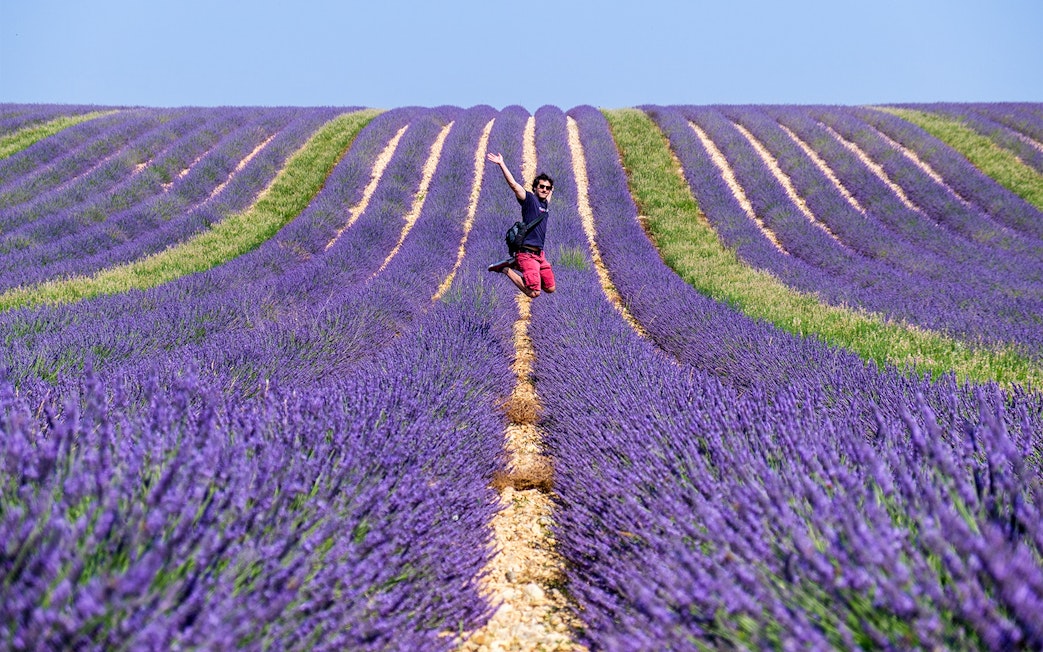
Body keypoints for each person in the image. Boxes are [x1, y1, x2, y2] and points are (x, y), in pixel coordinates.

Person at [486, 152, 556, 298]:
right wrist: (501, 164)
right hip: (527, 254)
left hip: (540, 256)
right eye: (541, 187)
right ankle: (505, 268)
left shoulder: (545, 204)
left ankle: (518, 265)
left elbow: (549, 194)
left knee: (550, 288)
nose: (544, 189)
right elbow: (513, 185)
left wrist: (551, 188)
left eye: (547, 188)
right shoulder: (529, 199)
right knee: (534, 292)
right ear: (535, 188)